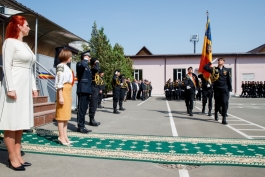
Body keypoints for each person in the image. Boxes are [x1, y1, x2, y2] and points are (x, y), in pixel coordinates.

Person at [0, 15, 38, 171]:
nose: (29, 28)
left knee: (20, 122)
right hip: (14, 85)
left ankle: (17, 154)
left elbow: (30, 68)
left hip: (24, 86)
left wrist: (34, 87)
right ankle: (11, 157)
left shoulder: (26, 45)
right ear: (19, 26)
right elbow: (6, 66)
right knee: (11, 122)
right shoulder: (9, 42)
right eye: (27, 25)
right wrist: (10, 87)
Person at [204, 57, 232, 124]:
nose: (219, 61)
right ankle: (216, 113)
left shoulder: (227, 70)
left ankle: (224, 118)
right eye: (219, 60)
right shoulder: (214, 69)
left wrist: (230, 89)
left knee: (225, 103)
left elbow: (229, 80)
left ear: (223, 62)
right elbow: (205, 67)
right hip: (217, 88)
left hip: (224, 89)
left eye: (221, 60)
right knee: (217, 103)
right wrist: (211, 62)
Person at [55, 49, 73, 146]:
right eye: (70, 56)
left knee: (66, 116)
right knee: (61, 116)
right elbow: (59, 82)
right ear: (65, 56)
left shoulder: (66, 67)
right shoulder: (60, 66)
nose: (71, 58)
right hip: (63, 90)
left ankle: (65, 135)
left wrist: (69, 96)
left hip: (67, 91)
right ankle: (61, 136)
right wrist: (60, 96)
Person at [76, 51, 92, 133]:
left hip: (87, 90)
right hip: (82, 89)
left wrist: (90, 92)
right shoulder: (80, 64)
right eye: (89, 57)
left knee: (85, 108)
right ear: (85, 57)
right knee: (81, 109)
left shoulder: (87, 67)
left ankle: (83, 126)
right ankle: (80, 126)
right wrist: (85, 59)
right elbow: (83, 65)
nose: (90, 59)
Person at [88, 58, 101, 126]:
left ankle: (93, 119)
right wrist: (97, 63)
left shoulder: (95, 70)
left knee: (95, 104)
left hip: (96, 88)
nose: (98, 63)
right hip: (93, 88)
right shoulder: (92, 69)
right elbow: (96, 69)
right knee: (93, 104)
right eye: (96, 62)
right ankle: (91, 120)